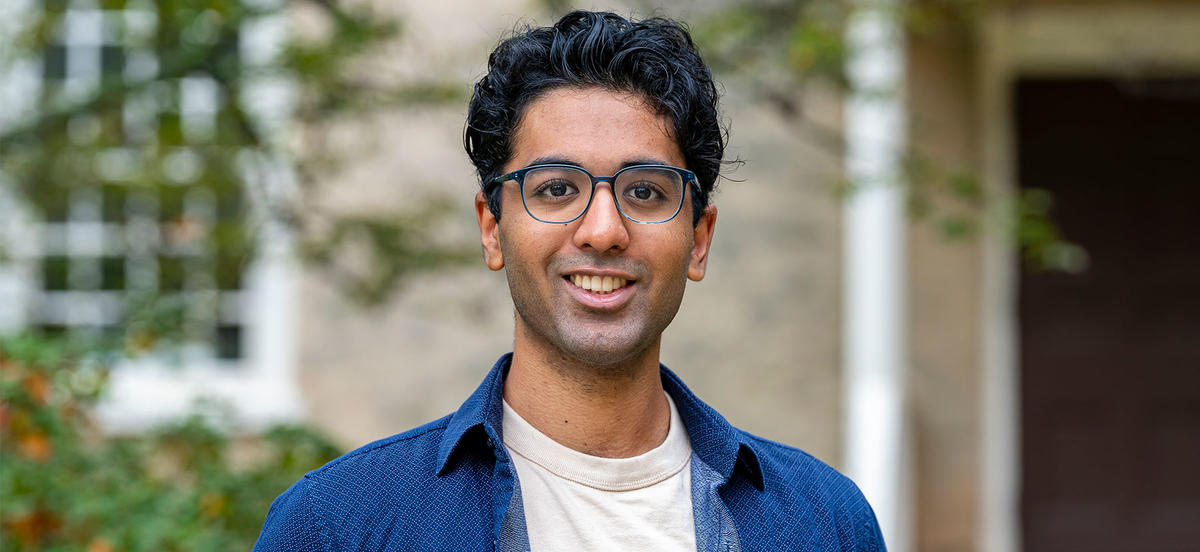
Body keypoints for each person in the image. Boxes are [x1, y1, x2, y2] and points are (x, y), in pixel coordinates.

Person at [254, 10, 884, 551]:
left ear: (699, 238)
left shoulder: (823, 522)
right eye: (556, 189)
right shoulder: (340, 525)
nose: (603, 230)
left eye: (644, 191)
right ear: (493, 229)